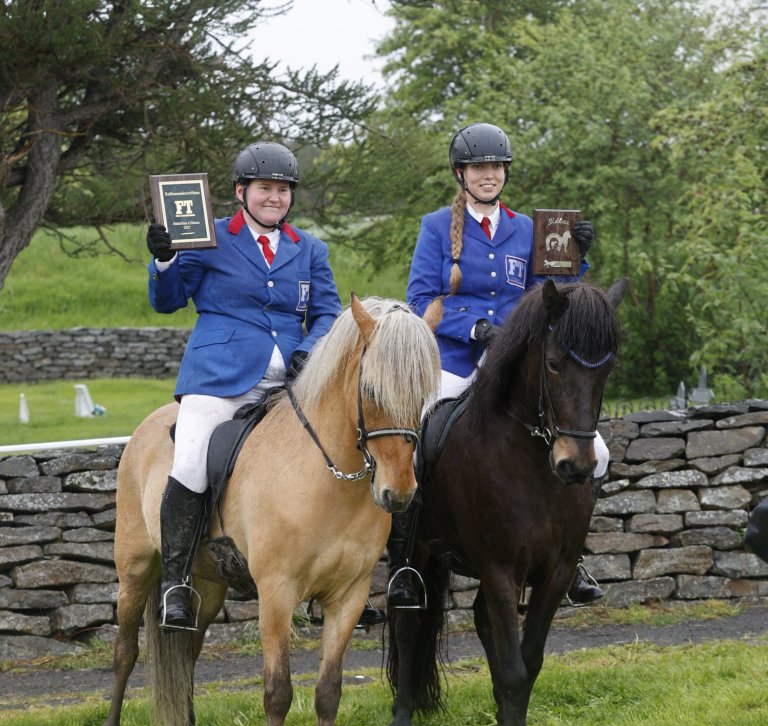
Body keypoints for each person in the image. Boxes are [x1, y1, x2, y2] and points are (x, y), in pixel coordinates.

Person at [389, 122, 606, 609]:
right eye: (479, 167)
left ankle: (573, 558)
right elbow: (421, 297)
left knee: (599, 452)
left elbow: (557, 297)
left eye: (496, 166)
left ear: (505, 172)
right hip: (456, 356)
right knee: (417, 436)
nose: (489, 174)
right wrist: (471, 328)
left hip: (520, 359)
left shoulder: (528, 229)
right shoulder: (434, 227)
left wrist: (579, 259)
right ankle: (405, 560)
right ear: (461, 173)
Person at [145, 141, 342, 631]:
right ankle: (176, 584)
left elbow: (327, 313)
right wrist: (165, 260)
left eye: (282, 190)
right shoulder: (207, 236)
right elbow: (168, 302)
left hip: (292, 383)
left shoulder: (309, 248)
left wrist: (309, 351)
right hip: (219, 377)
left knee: (337, 452)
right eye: (264, 189)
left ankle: (330, 576)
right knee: (190, 461)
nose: (274, 198)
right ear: (241, 191)